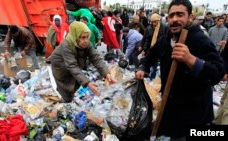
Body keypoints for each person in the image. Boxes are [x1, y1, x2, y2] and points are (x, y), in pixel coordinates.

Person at [135, 0, 225, 139]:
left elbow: (218, 72)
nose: (174, 19)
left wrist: (191, 60)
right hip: (171, 106)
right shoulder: (166, 39)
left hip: (194, 112)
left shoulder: (199, 39)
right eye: (171, 16)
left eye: (180, 15)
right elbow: (152, 54)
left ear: (190, 17)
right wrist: (143, 68)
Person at [50, 21, 115, 103]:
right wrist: (88, 83)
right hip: (61, 67)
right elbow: (72, 66)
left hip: (73, 65)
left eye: (87, 37)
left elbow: (96, 58)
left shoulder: (86, 43)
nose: (86, 40)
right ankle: (64, 104)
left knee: (76, 84)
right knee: (66, 89)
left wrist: (107, 73)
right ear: (75, 37)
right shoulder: (66, 45)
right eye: (83, 37)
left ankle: (70, 99)